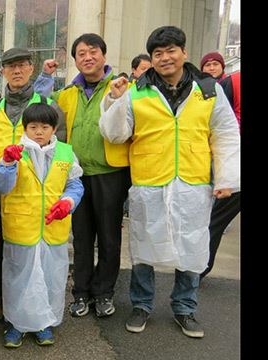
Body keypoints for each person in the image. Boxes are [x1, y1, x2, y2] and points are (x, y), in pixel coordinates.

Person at [99, 25, 240, 338]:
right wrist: (114, 100)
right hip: (149, 180)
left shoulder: (207, 89)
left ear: (184, 53)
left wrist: (228, 176)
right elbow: (114, 133)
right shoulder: (137, 90)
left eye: (170, 51)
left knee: (191, 244)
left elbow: (226, 132)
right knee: (144, 245)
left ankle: (185, 308)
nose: (165, 58)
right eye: (158, 54)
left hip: (192, 180)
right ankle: (141, 304)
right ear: (151, 58)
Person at [34, 33, 131, 319]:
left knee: (110, 238)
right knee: (82, 238)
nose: (87, 57)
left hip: (110, 172)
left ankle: (104, 293)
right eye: (81, 54)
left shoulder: (122, 88)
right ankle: (81, 293)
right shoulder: (67, 93)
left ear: (104, 55)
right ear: (75, 60)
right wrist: (45, 76)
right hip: (76, 174)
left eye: (93, 52)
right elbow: (40, 105)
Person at [0, 47, 66, 323]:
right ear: (2, 71)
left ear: (32, 68)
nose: (16, 71)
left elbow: (60, 148)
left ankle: (36, 305)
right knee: (0, 253)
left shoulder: (48, 104)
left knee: (34, 253)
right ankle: (2, 298)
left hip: (34, 194)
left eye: (22, 65)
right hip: (0, 192)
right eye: (10, 66)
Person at [0, 103, 83, 348]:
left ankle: (44, 323)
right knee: (18, 278)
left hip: (53, 230)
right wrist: (7, 164)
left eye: (45, 127)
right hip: (21, 228)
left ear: (54, 128)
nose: (39, 132)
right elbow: (2, 185)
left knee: (50, 277)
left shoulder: (65, 153)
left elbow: (75, 185)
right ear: (25, 128)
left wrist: (67, 203)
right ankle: (15, 324)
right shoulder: (15, 152)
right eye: (33, 127)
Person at [201, 70, 241, 280]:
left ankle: (200, 267)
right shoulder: (232, 82)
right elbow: (222, 128)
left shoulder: (231, 81)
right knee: (215, 221)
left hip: (235, 161)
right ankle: (201, 267)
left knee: (214, 221)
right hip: (237, 161)